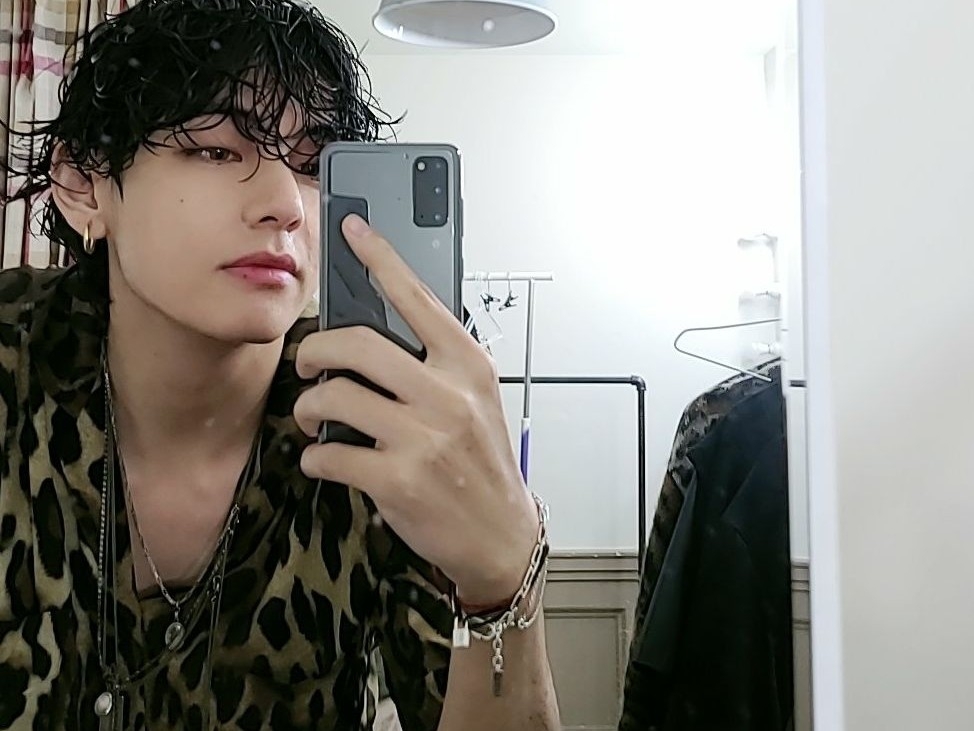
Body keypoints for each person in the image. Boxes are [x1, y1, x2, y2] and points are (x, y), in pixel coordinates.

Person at [0, 0, 560, 729]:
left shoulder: (373, 419)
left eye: (312, 163)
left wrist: (503, 579)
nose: (284, 205)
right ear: (84, 185)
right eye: (215, 150)